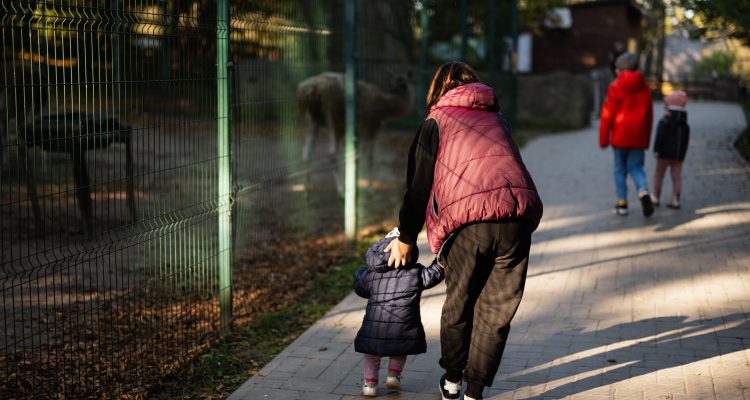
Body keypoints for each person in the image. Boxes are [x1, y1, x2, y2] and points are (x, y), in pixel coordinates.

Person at [385, 61, 543, 400]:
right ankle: (474, 391)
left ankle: (453, 381)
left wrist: (405, 237)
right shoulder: (495, 117)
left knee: (460, 302)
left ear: (438, 89)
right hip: (517, 219)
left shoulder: (435, 121)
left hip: (468, 223)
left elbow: (417, 186)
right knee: (497, 310)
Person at [354, 228, 445, 397]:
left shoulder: (372, 274)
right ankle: (393, 375)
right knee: (399, 349)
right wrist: (441, 260)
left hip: (374, 327)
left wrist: (360, 273)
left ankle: (369, 384)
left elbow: (360, 289)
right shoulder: (415, 272)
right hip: (403, 326)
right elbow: (433, 275)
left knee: (371, 355)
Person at [599, 52, 655, 217]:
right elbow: (649, 116)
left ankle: (622, 204)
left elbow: (607, 114)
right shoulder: (644, 88)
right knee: (637, 168)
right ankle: (644, 191)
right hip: (638, 137)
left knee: (619, 170)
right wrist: (646, 140)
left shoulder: (615, 87)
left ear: (620, 70)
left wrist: (603, 139)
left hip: (619, 137)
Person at [652, 90, 689, 209]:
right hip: (678, 156)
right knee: (677, 177)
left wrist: (656, 150)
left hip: (663, 155)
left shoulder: (664, 121)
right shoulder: (684, 124)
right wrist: (682, 154)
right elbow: (685, 141)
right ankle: (676, 200)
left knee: (659, 175)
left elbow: (659, 137)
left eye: (666, 104)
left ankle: (656, 197)